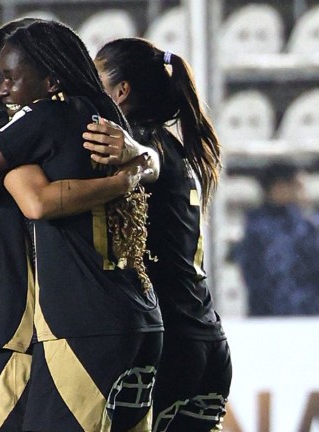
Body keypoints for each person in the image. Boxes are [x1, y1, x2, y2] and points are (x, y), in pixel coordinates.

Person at [0, 20, 163, 432]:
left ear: (49, 78)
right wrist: (136, 168)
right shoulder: (111, 119)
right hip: (139, 316)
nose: (4, 89)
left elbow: (35, 202)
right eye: (2, 76)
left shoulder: (29, 125)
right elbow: (153, 163)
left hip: (42, 326)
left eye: (12, 76)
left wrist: (123, 180)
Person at [94, 38, 232, 431]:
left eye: (96, 79)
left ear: (121, 91)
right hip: (208, 340)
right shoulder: (178, 149)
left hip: (170, 345)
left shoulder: (142, 143)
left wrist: (133, 154)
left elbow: (147, 161)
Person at [233, 161, 319, 316]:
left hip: (313, 316)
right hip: (272, 319)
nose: (305, 194)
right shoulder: (259, 230)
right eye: (299, 186)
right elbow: (271, 280)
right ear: (280, 188)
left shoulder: (310, 225)